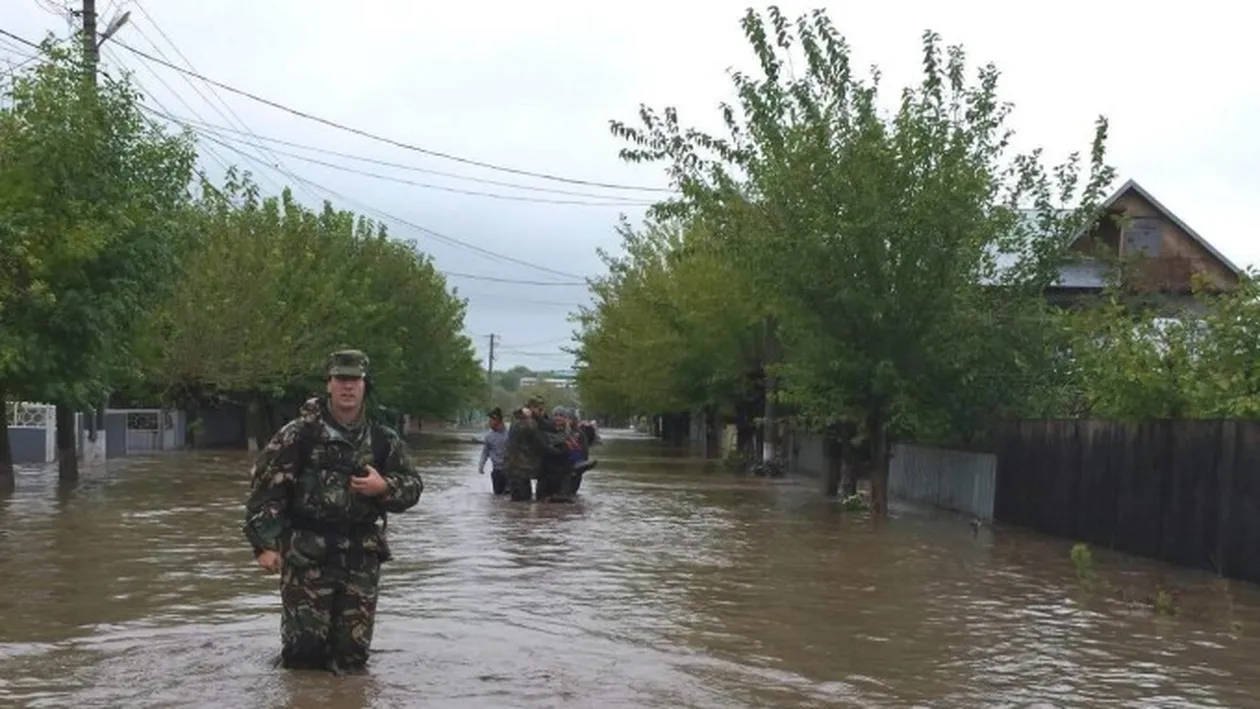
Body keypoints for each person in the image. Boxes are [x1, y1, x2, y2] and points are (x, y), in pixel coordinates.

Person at [243, 349, 424, 673]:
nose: (348, 387)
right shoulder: (299, 434)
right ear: (329, 384)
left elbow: (413, 487)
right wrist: (264, 545)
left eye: (354, 380)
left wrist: (385, 489)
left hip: (360, 558)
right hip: (306, 556)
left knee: (352, 657)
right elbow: (264, 490)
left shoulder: (383, 439)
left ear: (364, 385)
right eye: (341, 379)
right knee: (303, 655)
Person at [502, 395, 567, 501]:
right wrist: (559, 453)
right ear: (531, 408)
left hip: (521, 468)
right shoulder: (526, 422)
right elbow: (540, 444)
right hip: (517, 468)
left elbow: (545, 424)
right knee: (521, 502)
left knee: (525, 500)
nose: (542, 412)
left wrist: (558, 426)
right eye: (539, 409)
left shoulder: (531, 419)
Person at [478, 407, 509, 494]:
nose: (489, 422)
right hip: (497, 472)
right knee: (497, 497)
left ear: (498, 420)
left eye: (491, 420)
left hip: (509, 471)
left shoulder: (510, 433)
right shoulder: (489, 437)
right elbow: (485, 452)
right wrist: (481, 465)